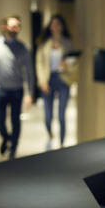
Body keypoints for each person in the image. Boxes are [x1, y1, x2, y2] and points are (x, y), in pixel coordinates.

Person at [0, 15, 34, 159]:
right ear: (4, 26)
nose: (13, 29)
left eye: (17, 26)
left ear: (19, 29)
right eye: (11, 26)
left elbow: (29, 71)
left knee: (16, 120)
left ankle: (13, 150)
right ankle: (6, 138)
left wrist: (30, 93)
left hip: (17, 90)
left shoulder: (23, 48)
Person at [36, 14, 77, 150]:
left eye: (58, 24)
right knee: (48, 115)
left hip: (63, 79)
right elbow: (40, 63)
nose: (56, 27)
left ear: (62, 26)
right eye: (53, 24)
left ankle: (61, 143)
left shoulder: (67, 43)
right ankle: (49, 132)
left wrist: (67, 65)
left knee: (61, 114)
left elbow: (74, 61)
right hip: (48, 79)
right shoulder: (44, 44)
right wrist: (42, 81)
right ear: (50, 27)